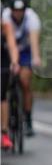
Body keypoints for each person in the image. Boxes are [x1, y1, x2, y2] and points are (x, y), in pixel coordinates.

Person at [2, 0, 41, 136]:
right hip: (7, 50)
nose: (18, 14)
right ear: (11, 10)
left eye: (21, 11)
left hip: (25, 50)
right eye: (15, 11)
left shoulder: (32, 18)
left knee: (25, 81)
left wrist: (36, 58)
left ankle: (28, 118)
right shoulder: (5, 16)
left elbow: (34, 40)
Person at [1, 20, 20, 150]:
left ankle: (4, 132)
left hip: (3, 63)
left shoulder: (6, 27)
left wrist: (14, 62)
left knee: (1, 95)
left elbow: (13, 47)